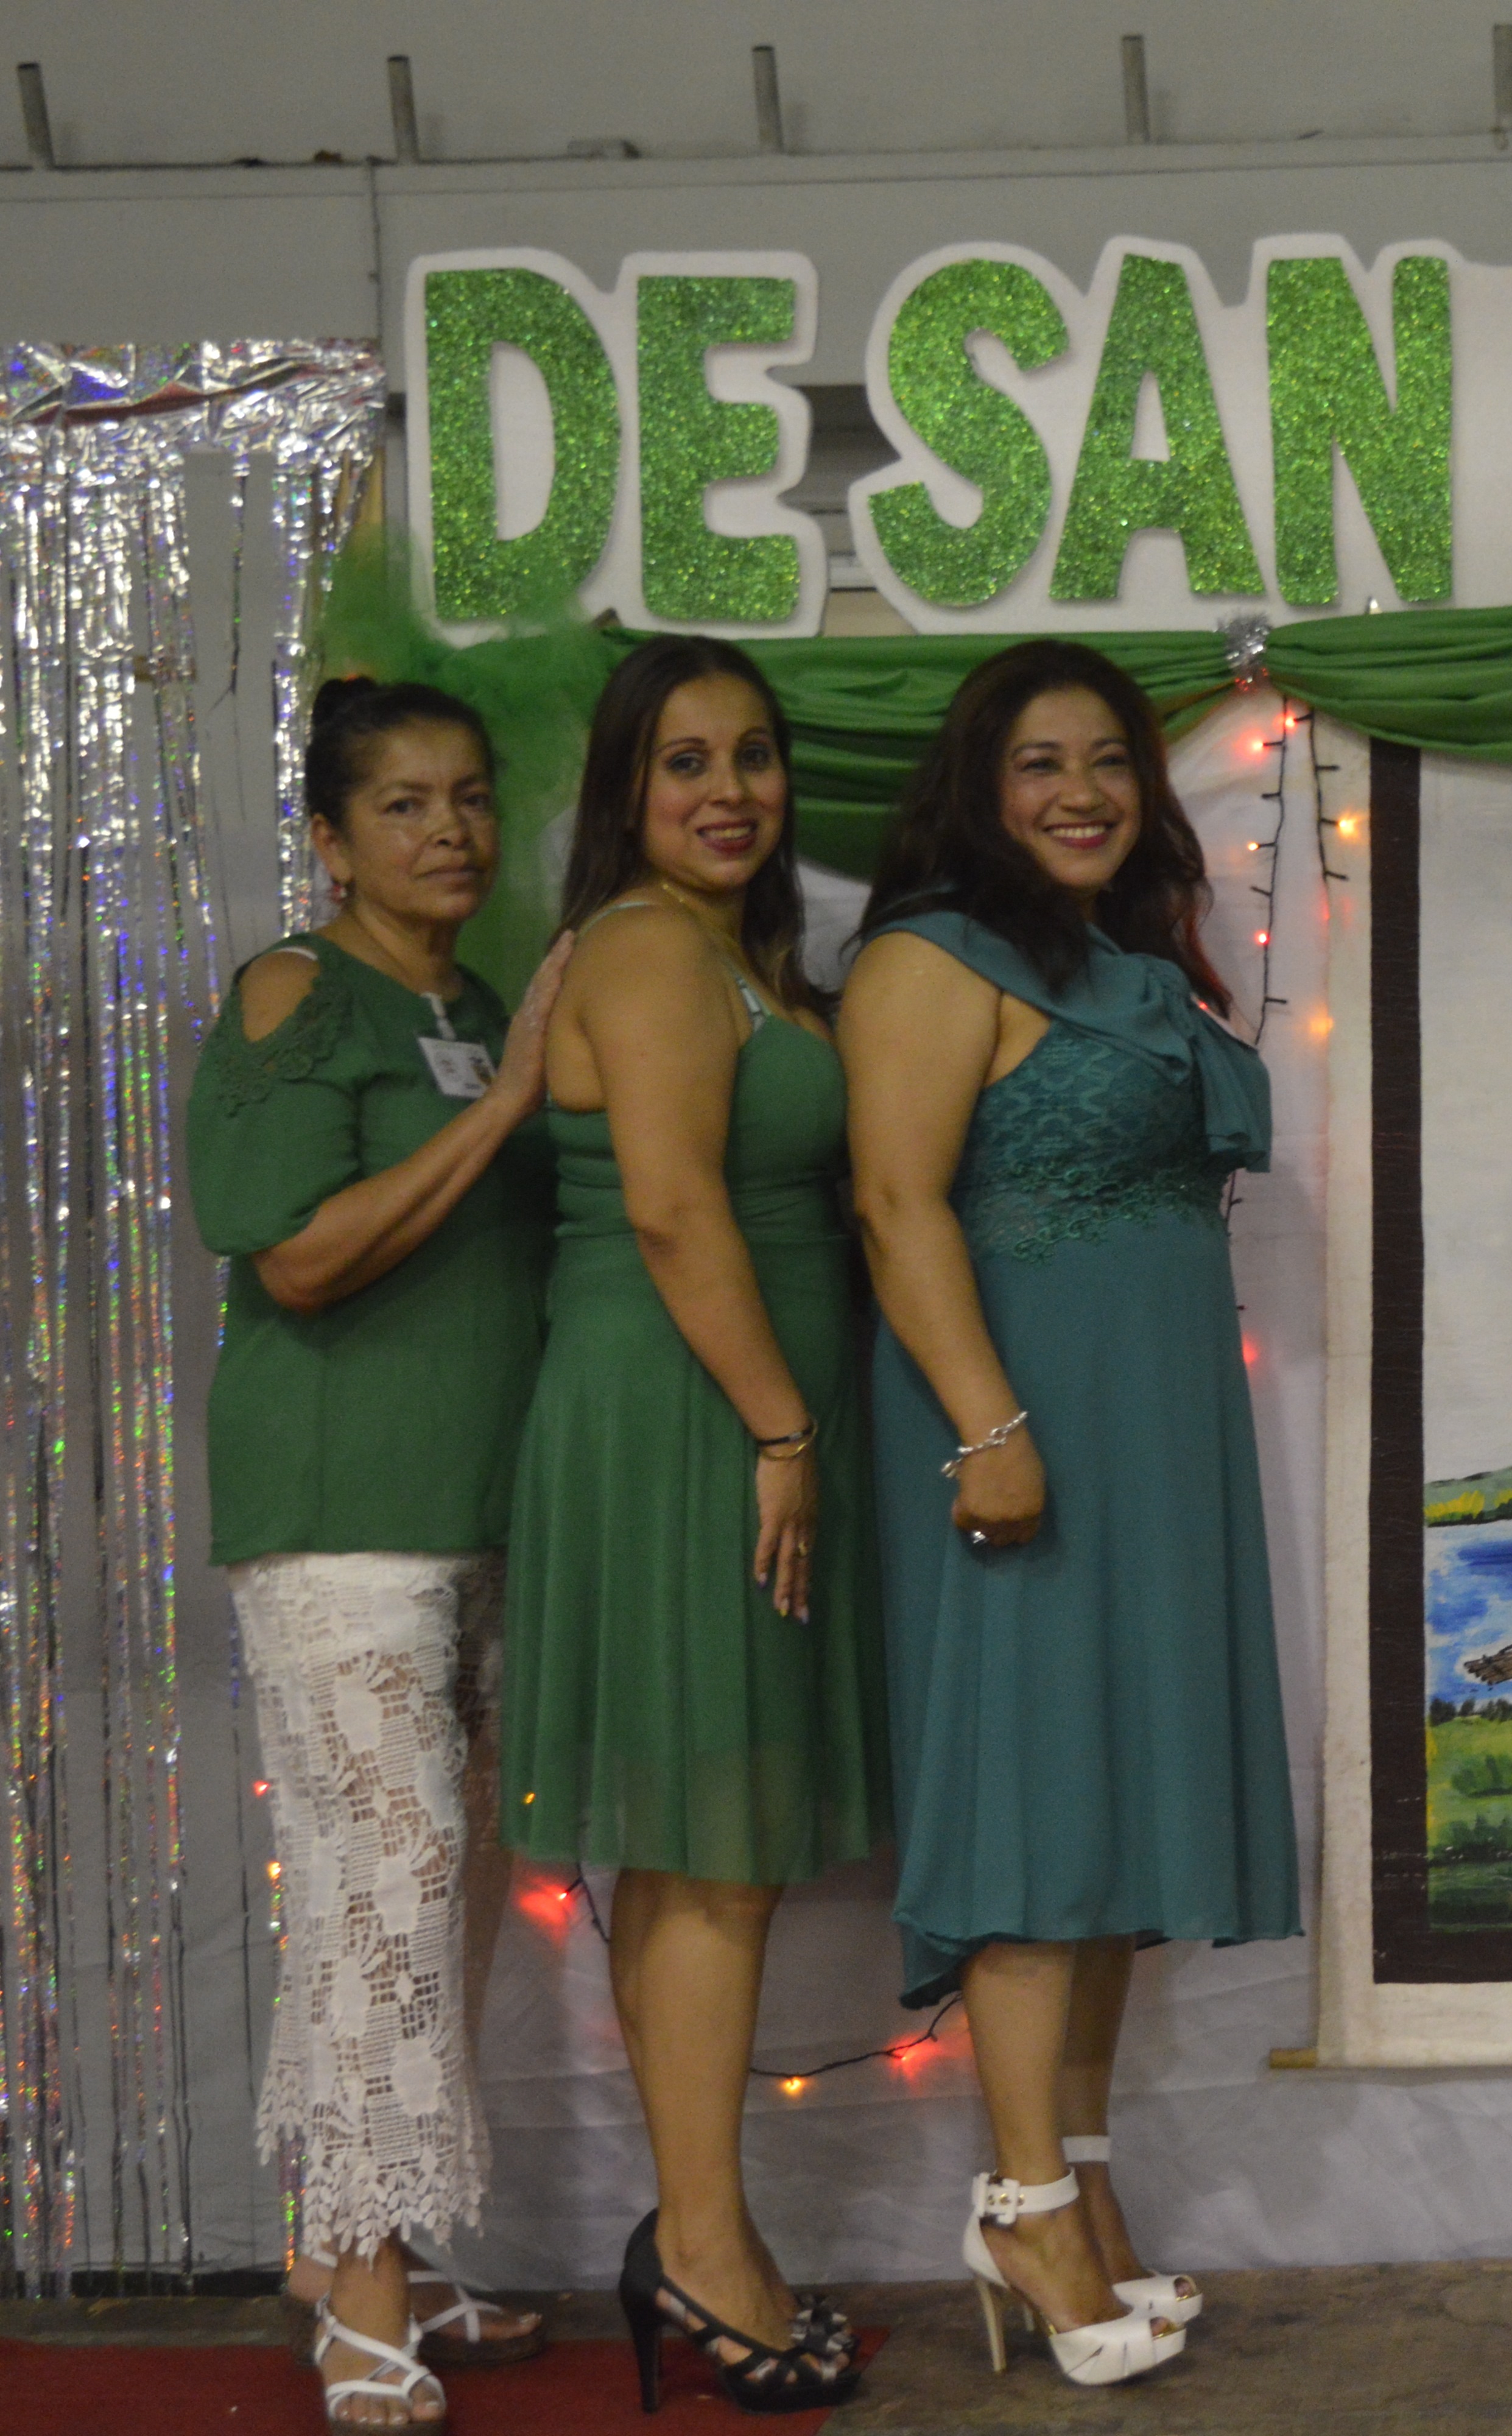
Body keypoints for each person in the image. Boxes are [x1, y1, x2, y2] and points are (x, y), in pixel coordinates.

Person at [845, 641, 1295, 2387]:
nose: (1083, 791)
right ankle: (1022, 2204)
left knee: (1103, 1833)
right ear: (980, 787)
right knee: (1038, 1824)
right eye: (1039, 762)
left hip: (1150, 1440)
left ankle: (1085, 2192)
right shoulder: (928, 956)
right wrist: (990, 1427)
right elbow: (897, 1207)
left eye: (1108, 759)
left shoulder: (1122, 963)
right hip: (1018, 1430)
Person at [498, 635, 883, 2410]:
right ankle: (709, 2252)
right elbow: (667, 1207)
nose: (729, 791)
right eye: (685, 762)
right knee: (715, 1850)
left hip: (722, 1405)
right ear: (626, 795)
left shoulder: (734, 954)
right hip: (692, 1414)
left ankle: (700, 2232)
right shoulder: (652, 945)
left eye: (752, 755)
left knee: (691, 1850)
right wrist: (783, 1427)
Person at [191, 680, 564, 2428]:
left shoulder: (477, 1004)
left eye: (469, 797)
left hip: (477, 1502)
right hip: (339, 1513)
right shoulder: (297, 989)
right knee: (386, 1884)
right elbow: (296, 1255)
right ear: (331, 841)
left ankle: (361, 2241)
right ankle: (361, 2295)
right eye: (404, 805)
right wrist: (504, 1111)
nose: (450, 832)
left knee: (435, 1893)